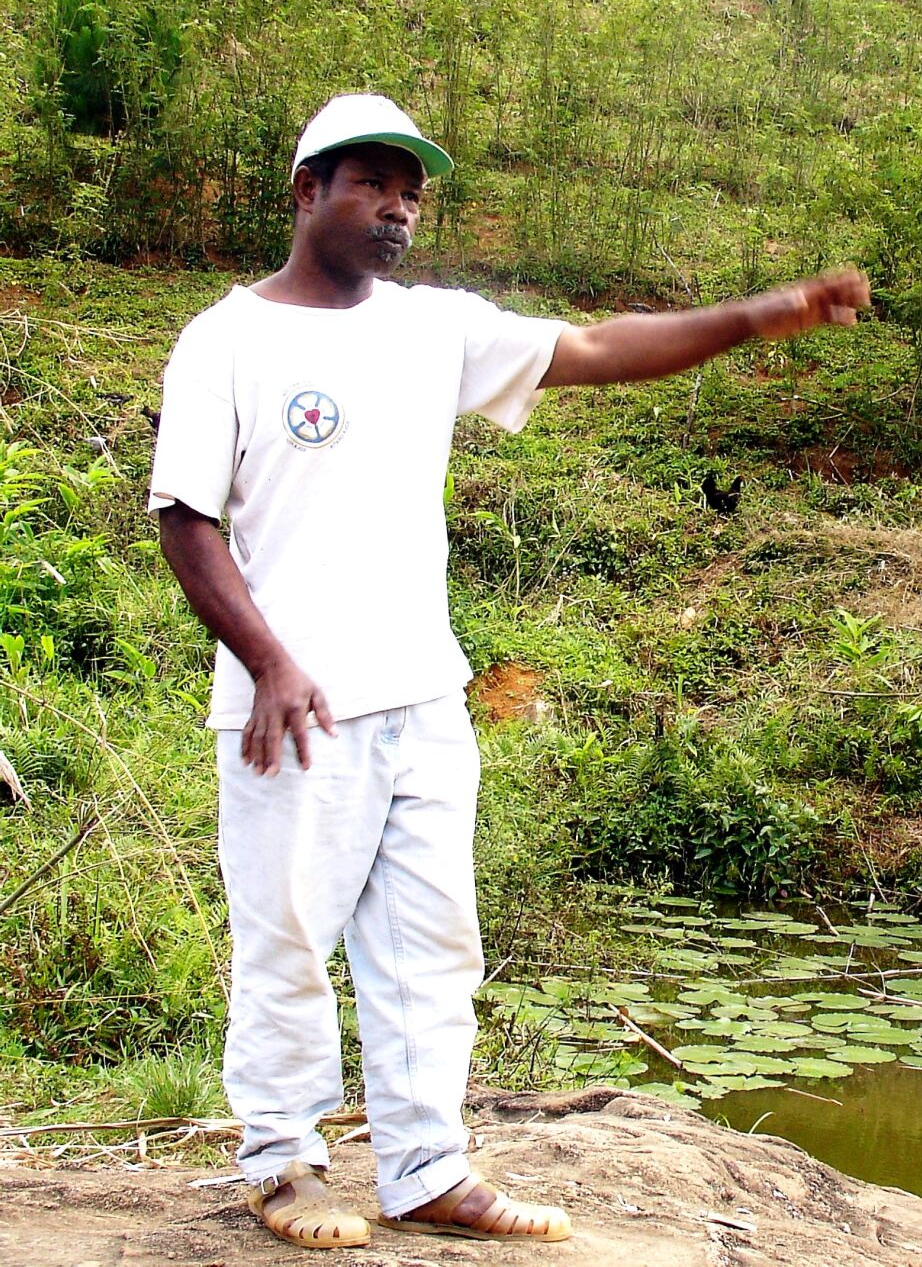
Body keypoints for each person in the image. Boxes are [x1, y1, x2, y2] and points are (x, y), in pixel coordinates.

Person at [150, 93, 871, 1250]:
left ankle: (428, 1167)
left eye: (411, 193)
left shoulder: (434, 327)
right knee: (285, 936)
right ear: (305, 191)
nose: (395, 209)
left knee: (433, 943)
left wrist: (758, 315)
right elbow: (185, 521)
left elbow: (588, 349)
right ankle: (285, 1165)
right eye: (371, 183)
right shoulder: (226, 339)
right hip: (294, 709)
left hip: (424, 696)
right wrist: (272, 661)